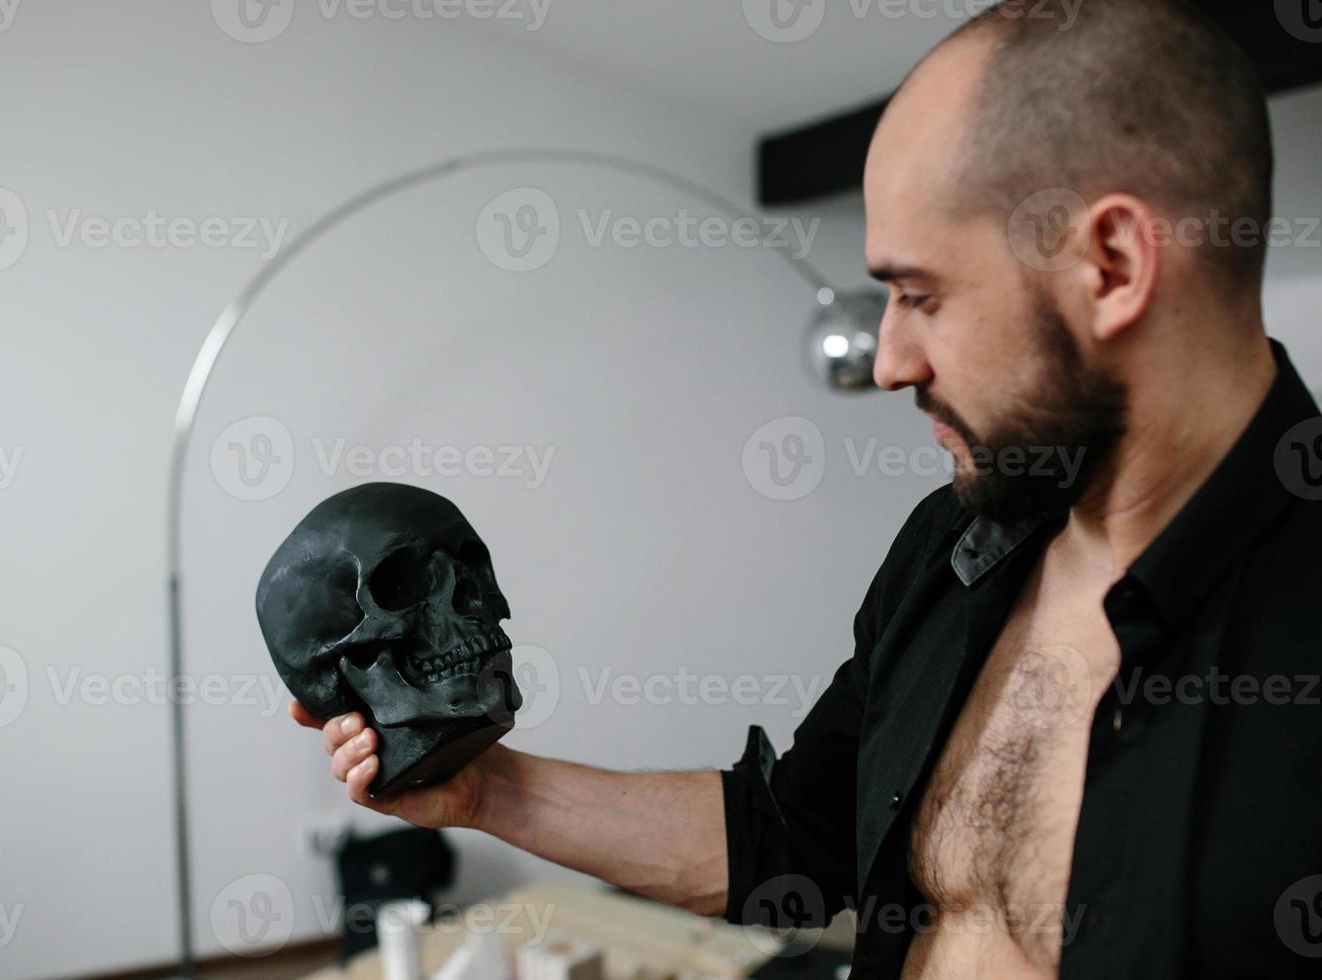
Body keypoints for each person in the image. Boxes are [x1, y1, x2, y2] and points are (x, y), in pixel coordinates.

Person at [292, 1, 1322, 975]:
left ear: (1110, 264)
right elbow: (799, 838)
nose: (888, 360)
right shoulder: (955, 547)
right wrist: (491, 790)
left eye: (920, 293)